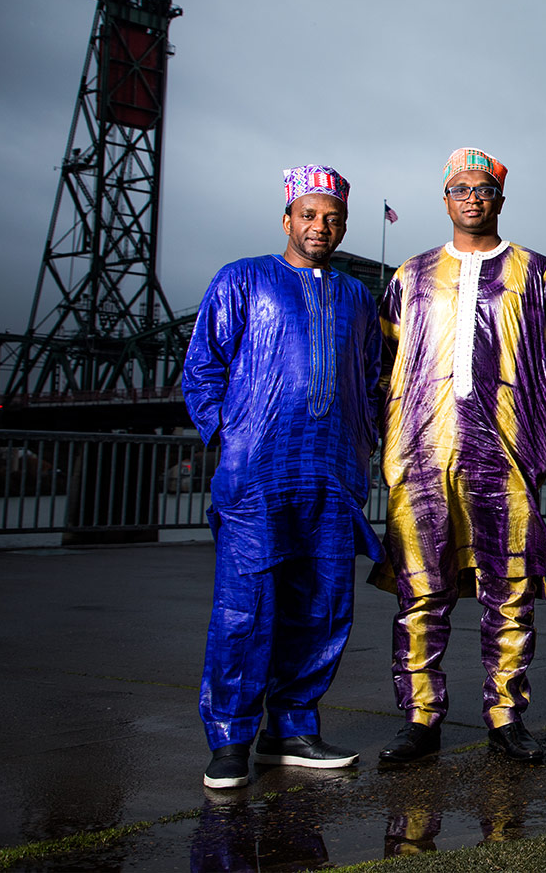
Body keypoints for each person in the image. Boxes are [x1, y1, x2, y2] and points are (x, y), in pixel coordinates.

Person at [370, 147, 546, 766]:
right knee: (419, 589)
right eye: (460, 188)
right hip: (421, 452)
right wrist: (388, 437)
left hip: (504, 450)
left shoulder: (537, 274)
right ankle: (420, 720)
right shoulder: (409, 274)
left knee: (510, 586)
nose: (472, 198)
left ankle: (506, 717)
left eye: (482, 188)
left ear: (499, 198)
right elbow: (382, 364)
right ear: (446, 199)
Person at [182, 165, 382, 790]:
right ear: (288, 217)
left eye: (332, 217)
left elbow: (374, 379)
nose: (320, 226)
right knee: (246, 608)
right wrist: (230, 433)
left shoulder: (356, 296)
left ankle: (292, 730)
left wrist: (364, 443)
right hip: (258, 474)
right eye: (309, 215)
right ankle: (231, 739)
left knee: (323, 605)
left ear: (343, 223)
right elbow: (202, 367)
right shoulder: (242, 279)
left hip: (332, 473)